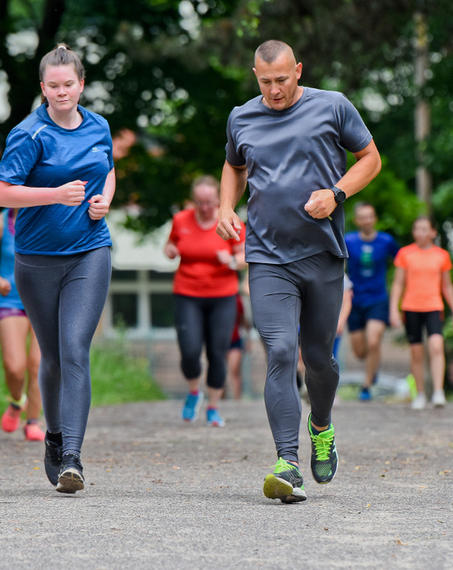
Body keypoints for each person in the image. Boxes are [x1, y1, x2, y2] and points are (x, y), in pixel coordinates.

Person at [216, 40, 382, 503]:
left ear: (298, 71)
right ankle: (287, 462)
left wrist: (337, 193)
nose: (274, 90)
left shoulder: (334, 107)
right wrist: (227, 206)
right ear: (256, 76)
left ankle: (322, 426)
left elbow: (371, 159)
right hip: (268, 257)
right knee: (281, 351)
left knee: (320, 362)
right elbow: (234, 166)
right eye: (265, 81)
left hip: (323, 255)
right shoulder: (241, 117)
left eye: (282, 80)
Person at [0, 44, 116, 493]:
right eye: (54, 86)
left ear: (81, 84)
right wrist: (54, 194)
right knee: (51, 356)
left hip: (90, 250)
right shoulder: (29, 134)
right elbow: (1, 195)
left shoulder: (99, 125)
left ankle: (72, 457)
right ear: (42, 87)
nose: (62, 92)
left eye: (70, 84)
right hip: (36, 259)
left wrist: (105, 200)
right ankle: (55, 433)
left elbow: (109, 169)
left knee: (74, 348)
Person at [164, 175, 245, 426]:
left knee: (217, 353)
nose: (206, 207)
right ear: (193, 201)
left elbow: (245, 257)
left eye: (210, 202)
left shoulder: (230, 221)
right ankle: (193, 392)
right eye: (200, 202)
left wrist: (230, 260)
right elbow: (170, 245)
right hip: (187, 293)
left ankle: (213, 407)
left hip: (222, 295)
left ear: (218, 200)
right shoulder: (181, 220)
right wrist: (170, 251)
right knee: (189, 351)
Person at [0, 208, 45, 441]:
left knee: (38, 364)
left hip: (44, 299)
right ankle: (17, 401)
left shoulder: (48, 215)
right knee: (15, 366)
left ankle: (33, 420)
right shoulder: (0, 223)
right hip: (10, 299)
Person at [389, 216, 453, 410]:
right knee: (416, 352)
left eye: (424, 229)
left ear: (433, 232)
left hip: (434, 306)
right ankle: (420, 394)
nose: (419, 233)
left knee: (436, 346)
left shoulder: (442, 255)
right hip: (411, 307)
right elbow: (398, 283)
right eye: (416, 229)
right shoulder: (405, 254)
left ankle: (438, 392)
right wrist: (393, 309)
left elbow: (447, 286)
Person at [344, 203, 400, 400]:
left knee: (374, 341)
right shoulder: (348, 241)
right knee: (360, 352)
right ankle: (372, 366)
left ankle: (366, 386)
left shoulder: (386, 241)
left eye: (370, 216)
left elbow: (401, 263)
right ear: (356, 220)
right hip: (354, 301)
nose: (366, 220)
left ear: (375, 218)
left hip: (378, 299)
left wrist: (398, 290)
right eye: (362, 217)